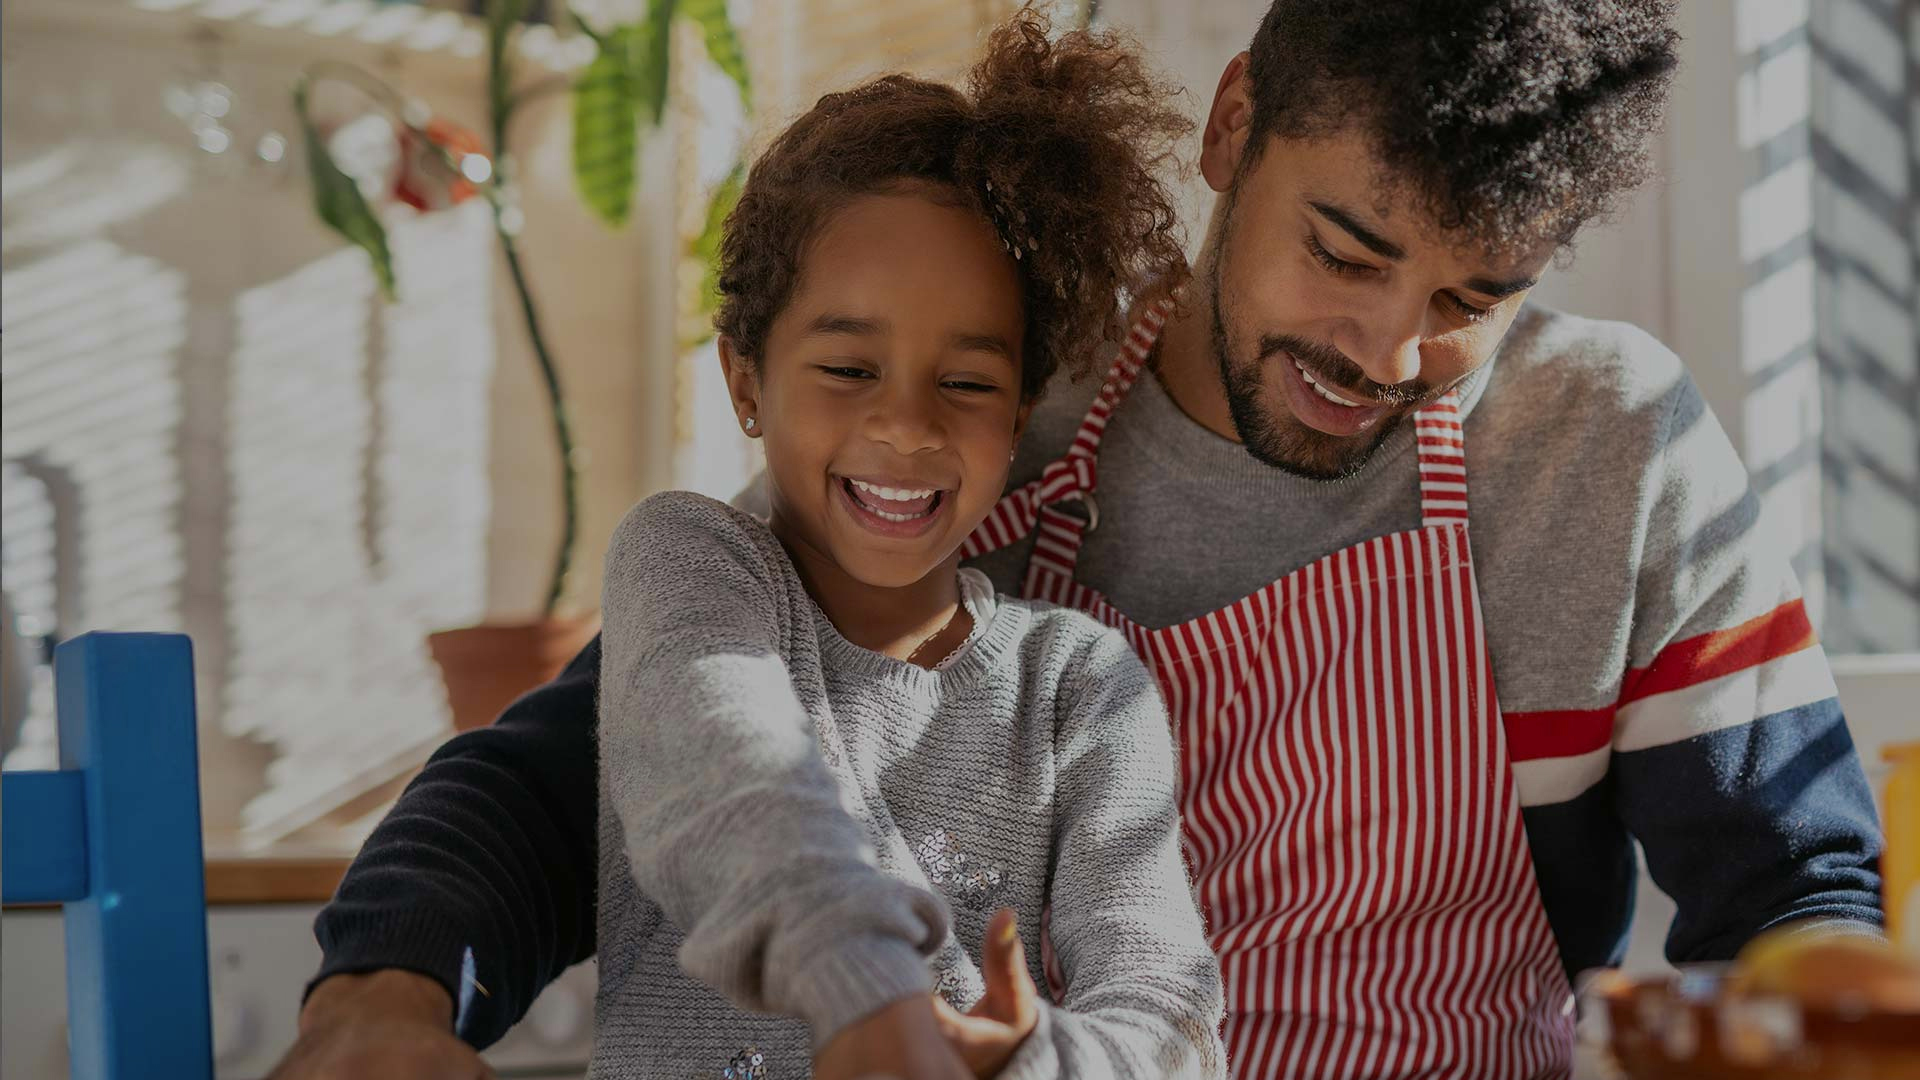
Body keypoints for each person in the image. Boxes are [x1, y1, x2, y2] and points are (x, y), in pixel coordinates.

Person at [278, 2, 1885, 1078]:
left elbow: (1793, 884)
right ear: (1233, 125)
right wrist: (387, 979)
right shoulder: (983, 421)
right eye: (1346, 250)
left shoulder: (1600, 444)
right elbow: (624, 764)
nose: (1384, 354)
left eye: (1470, 299)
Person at [589, 11, 1222, 1078]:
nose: (908, 427)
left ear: (1020, 413)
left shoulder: (1078, 687)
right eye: (847, 369)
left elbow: (1171, 1017)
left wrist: (1027, 1056)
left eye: (968, 382)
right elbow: (730, 768)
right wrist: (866, 995)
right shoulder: (686, 565)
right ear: (746, 379)